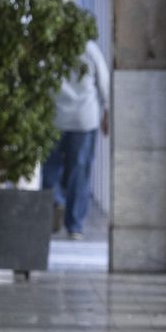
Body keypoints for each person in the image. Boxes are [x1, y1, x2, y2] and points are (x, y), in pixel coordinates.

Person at [42, 38, 110, 239]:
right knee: (79, 172)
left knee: (50, 169)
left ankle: (55, 204)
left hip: (54, 117)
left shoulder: (51, 45)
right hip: (84, 119)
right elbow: (103, 81)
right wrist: (106, 110)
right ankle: (74, 225)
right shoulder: (89, 48)